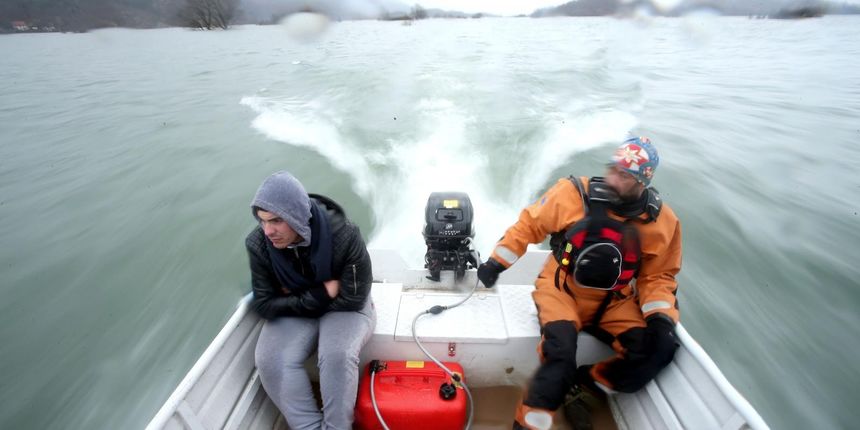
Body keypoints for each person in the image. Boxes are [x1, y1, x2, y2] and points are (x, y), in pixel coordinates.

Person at [477, 137, 682, 430]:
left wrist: (660, 319)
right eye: (613, 169)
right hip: (562, 290)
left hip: (616, 301)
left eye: (624, 176)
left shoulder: (662, 222)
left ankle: (585, 386)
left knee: (657, 350)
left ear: (642, 183)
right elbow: (529, 226)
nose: (613, 178)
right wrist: (496, 263)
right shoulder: (572, 194)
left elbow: (658, 276)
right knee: (559, 355)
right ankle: (526, 425)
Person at [246, 171, 375, 430]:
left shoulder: (345, 235)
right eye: (262, 221)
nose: (268, 231)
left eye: (276, 221)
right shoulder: (258, 243)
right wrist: (319, 294)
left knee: (336, 354)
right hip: (310, 302)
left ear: (296, 216)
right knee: (270, 360)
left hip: (344, 307)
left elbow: (353, 297)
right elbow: (263, 304)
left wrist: (292, 296)